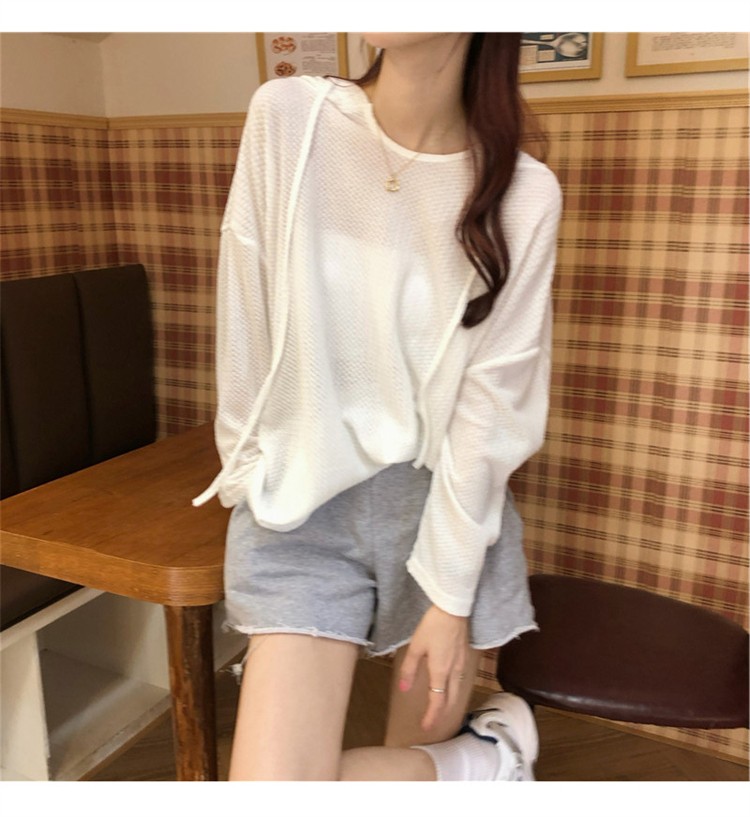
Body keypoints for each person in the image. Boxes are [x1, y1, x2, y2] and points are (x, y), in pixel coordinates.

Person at [193, 32, 562, 781]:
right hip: (301, 507)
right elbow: (245, 313)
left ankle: (477, 758)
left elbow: (491, 409)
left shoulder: (524, 193)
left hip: (440, 512)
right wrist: (250, 472)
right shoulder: (290, 118)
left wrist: (450, 597)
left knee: (400, 768)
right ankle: (484, 763)